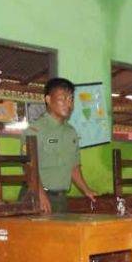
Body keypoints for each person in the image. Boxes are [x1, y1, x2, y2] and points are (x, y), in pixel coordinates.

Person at [21, 78, 96, 213]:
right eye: (62, 99)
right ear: (48, 100)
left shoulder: (71, 132)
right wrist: (41, 195)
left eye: (71, 99)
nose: (68, 104)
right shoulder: (34, 131)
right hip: (36, 197)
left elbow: (73, 168)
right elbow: (28, 167)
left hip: (60, 199)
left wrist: (87, 190)